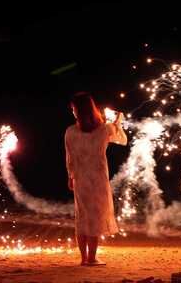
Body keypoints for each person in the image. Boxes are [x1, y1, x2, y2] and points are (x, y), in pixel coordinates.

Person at [64, 92, 127, 266]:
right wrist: (117, 121)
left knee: (82, 217)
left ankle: (84, 258)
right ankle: (91, 258)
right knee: (95, 218)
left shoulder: (70, 132)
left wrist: (70, 176)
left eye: (74, 109)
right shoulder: (104, 129)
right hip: (98, 179)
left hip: (80, 179)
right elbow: (122, 139)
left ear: (79, 110)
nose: (73, 112)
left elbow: (69, 158)